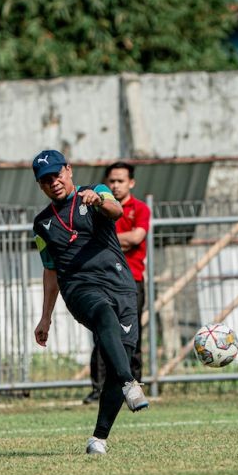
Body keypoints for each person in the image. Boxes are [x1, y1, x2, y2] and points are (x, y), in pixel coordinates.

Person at [31, 149, 149, 455]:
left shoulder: (95, 192)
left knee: (118, 355)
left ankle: (99, 438)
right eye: (45, 180)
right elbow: (50, 268)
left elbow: (116, 211)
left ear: (69, 170)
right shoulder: (42, 224)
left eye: (56, 175)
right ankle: (129, 383)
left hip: (121, 285)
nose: (53, 182)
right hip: (80, 289)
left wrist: (99, 202)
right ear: (40, 185)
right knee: (103, 314)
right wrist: (46, 317)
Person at [84, 161, 151, 404]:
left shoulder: (140, 209)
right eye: (111, 181)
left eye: (120, 181)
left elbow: (136, 238)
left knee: (132, 337)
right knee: (102, 335)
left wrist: (107, 239)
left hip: (132, 281)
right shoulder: (100, 208)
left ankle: (134, 387)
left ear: (131, 183)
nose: (115, 185)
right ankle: (98, 389)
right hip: (102, 280)